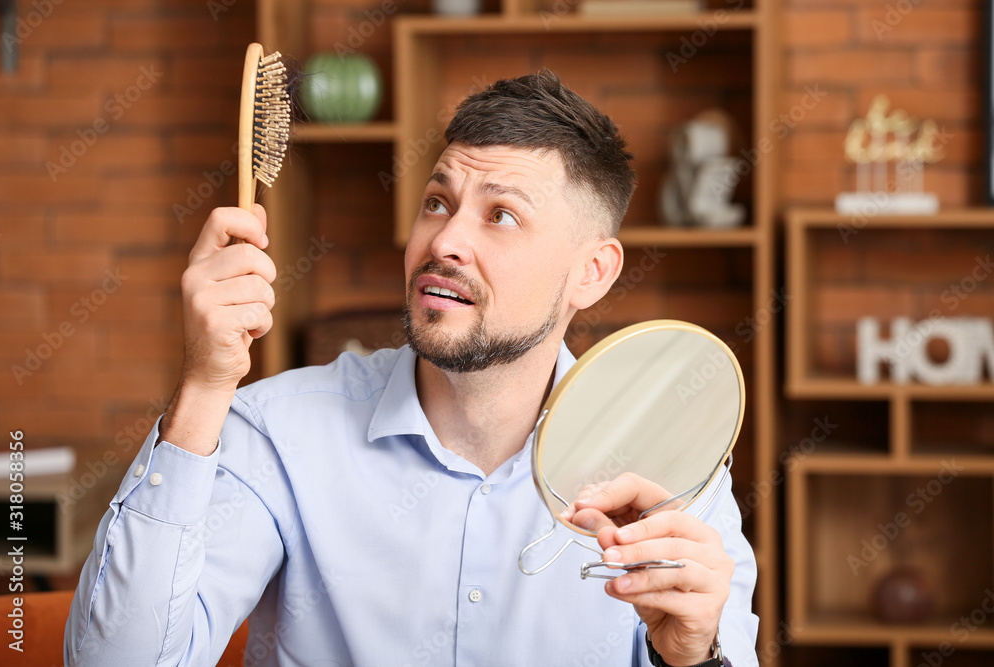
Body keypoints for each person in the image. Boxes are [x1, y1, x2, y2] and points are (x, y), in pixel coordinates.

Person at [64, 70, 758, 666]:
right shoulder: (275, 432)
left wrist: (696, 657)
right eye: (437, 202)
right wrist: (203, 388)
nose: (445, 240)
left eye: (502, 217)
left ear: (592, 272)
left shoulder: (672, 473)